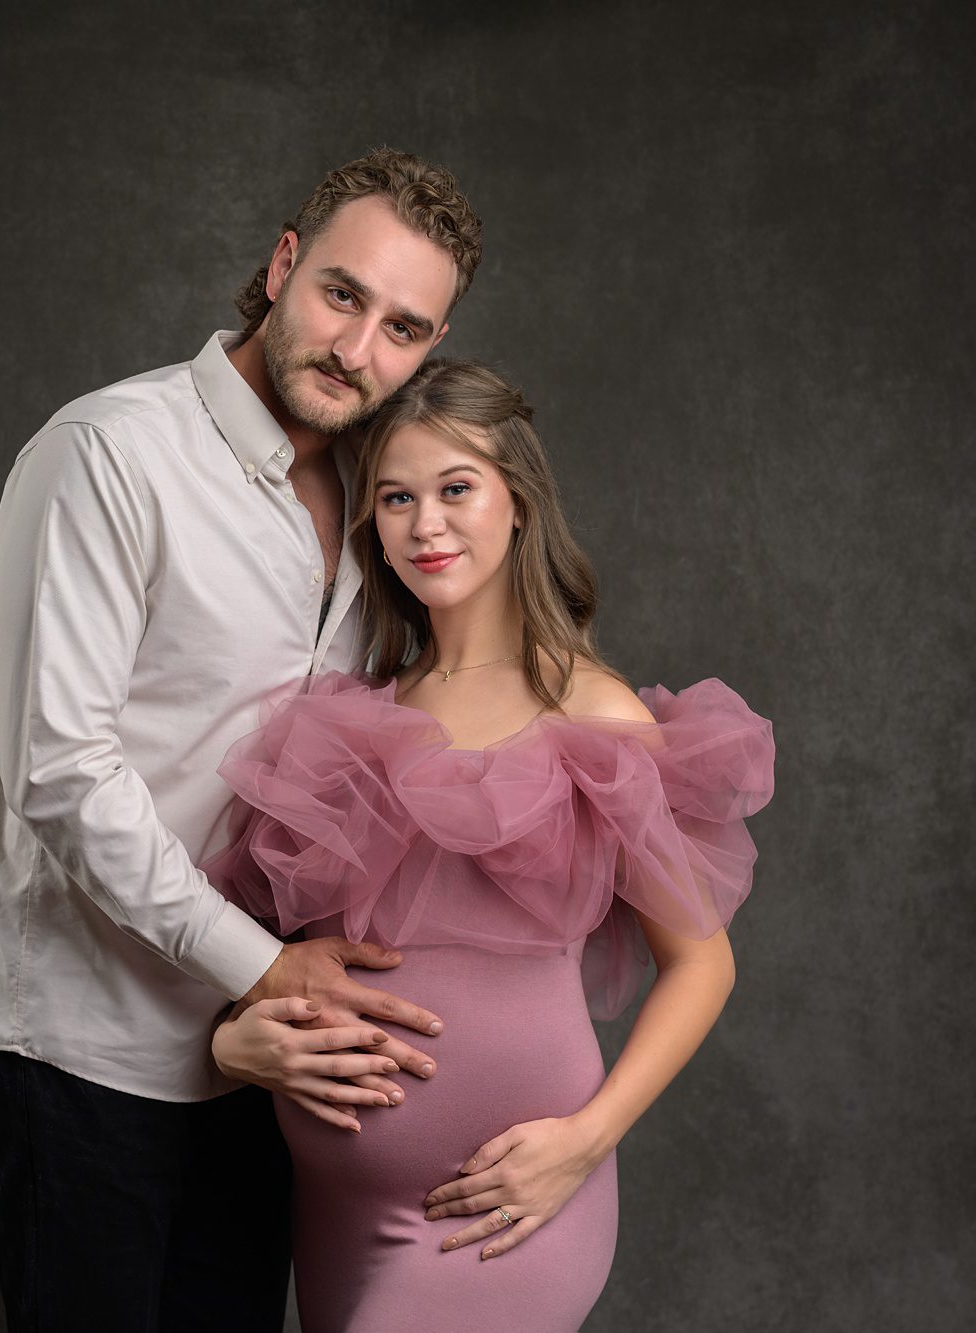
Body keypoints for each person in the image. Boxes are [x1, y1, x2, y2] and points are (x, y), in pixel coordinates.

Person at [0, 150, 485, 1331]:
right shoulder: (108, 455)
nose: (356, 350)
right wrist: (261, 962)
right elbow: (59, 770)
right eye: (342, 295)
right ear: (281, 266)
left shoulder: (382, 502)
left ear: (426, 350)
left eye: (401, 328)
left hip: (261, 1057)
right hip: (85, 1045)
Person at [203, 359, 776, 1329]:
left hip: (499, 1203)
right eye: (394, 498)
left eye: (455, 488)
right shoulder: (349, 716)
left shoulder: (590, 713)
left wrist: (586, 1140)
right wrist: (230, 1044)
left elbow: (700, 963)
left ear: (518, 503)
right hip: (336, 1206)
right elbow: (269, 960)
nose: (424, 526)